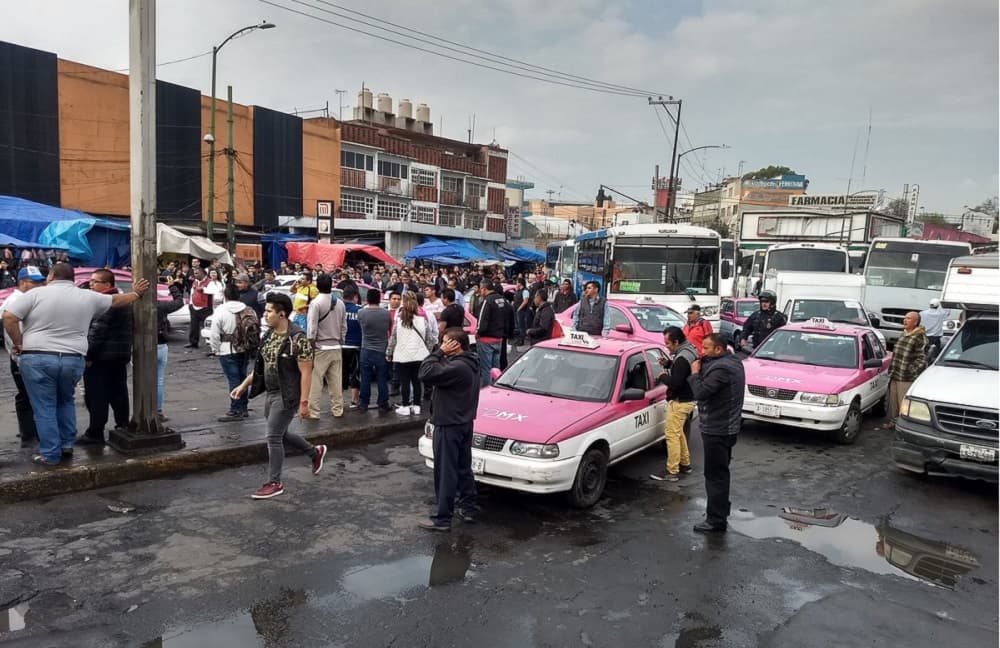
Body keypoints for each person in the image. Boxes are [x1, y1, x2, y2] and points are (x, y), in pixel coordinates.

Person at [2, 262, 148, 466]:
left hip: (38, 356)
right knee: (65, 401)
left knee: (44, 407)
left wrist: (19, 343)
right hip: (72, 358)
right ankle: (66, 445)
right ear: (72, 278)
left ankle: (50, 454)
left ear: (51, 276)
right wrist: (136, 293)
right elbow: (116, 300)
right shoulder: (87, 296)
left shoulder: (35, 295)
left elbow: (8, 316)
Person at [231, 293, 326, 499]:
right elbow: (261, 368)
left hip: (288, 395)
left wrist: (304, 403)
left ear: (281, 314)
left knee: (273, 437)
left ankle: (274, 482)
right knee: (280, 434)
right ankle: (314, 452)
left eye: (269, 311)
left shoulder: (297, 338)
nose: (264, 315)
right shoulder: (270, 335)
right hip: (272, 392)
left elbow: (307, 372)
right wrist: (243, 385)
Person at [418, 328, 481, 531]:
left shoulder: (458, 367)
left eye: (445, 342)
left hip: (449, 423)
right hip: (463, 421)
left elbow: (425, 372)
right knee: (463, 467)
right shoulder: (470, 362)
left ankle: (443, 518)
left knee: (445, 471)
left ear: (455, 345)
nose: (441, 345)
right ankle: (468, 507)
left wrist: (437, 353)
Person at [687, 333, 745, 533]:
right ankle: (718, 513)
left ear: (718, 349)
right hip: (726, 427)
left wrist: (694, 373)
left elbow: (701, 392)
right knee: (720, 473)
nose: (702, 352)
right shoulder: (733, 361)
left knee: (715, 475)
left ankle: (716, 520)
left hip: (717, 430)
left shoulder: (722, 368)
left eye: (706, 348)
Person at [79, 269, 134, 445]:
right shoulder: (120, 301)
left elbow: (96, 334)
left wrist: (87, 355)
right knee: (118, 392)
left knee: (96, 396)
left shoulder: (106, 304)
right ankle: (122, 424)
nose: (90, 284)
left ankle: (95, 431)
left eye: (95, 281)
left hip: (101, 357)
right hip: (118, 355)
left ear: (107, 285)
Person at [0, 265, 45, 445]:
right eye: (35, 283)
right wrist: (21, 352)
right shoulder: (14, 302)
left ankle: (30, 430)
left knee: (29, 395)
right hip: (22, 357)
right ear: (23, 283)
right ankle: (29, 434)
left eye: (40, 282)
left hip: (24, 355)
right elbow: (14, 333)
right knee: (26, 395)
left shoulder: (28, 300)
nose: (39, 286)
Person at [649, 327, 697, 482]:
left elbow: (676, 382)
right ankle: (685, 464)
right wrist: (670, 364)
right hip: (688, 399)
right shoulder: (688, 351)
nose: (666, 346)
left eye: (668, 343)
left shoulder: (682, 358)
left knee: (671, 435)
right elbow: (682, 372)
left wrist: (663, 376)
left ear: (676, 342)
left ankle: (672, 471)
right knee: (678, 433)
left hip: (680, 401)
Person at [210, 282, 258, 422]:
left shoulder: (221, 310)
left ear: (225, 295)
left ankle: (235, 409)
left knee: (233, 379)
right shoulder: (248, 309)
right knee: (243, 377)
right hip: (244, 348)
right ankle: (243, 407)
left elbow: (214, 334)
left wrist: (216, 349)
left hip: (227, 349)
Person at [307, 273, 347, 419]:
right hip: (336, 346)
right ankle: (338, 410)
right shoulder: (340, 303)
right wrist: (340, 341)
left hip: (320, 348)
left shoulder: (315, 303)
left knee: (316, 382)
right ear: (332, 285)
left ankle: (314, 411)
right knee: (336, 382)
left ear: (317, 286)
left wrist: (311, 344)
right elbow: (344, 326)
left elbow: (312, 328)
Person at [388, 292, 435, 416]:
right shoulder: (422, 321)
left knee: (405, 382)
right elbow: (430, 340)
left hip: (402, 357)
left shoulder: (399, 321)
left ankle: (405, 405)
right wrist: (427, 352)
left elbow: (393, 339)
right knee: (416, 381)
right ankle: (417, 406)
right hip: (419, 356)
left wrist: (389, 353)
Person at [879, 311, 928, 430]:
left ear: (916, 322)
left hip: (906, 377)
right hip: (896, 373)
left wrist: (910, 370)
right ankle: (893, 422)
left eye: (909, 319)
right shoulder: (904, 333)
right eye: (905, 318)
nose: (905, 320)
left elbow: (922, 358)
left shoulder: (919, 336)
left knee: (903, 403)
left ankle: (904, 426)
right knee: (893, 402)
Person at [155, 275, 185, 421]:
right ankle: (158, 410)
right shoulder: (160, 306)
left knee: (142, 379)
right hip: (161, 345)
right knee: (159, 380)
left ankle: (146, 409)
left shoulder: (134, 305)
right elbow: (179, 302)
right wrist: (172, 286)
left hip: (144, 347)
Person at [475, 280, 515, 387]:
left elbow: (482, 321)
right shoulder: (503, 300)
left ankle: (487, 390)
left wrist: (478, 332)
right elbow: (510, 318)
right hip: (499, 338)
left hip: (486, 339)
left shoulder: (487, 301)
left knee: (486, 368)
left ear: (483, 288)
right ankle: (497, 388)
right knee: (496, 368)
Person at [358, 288, 392, 411]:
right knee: (382, 378)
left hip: (366, 348)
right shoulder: (386, 313)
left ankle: (363, 403)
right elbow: (389, 329)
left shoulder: (361, 313)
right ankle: (383, 403)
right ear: (379, 299)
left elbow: (360, 327)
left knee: (365, 377)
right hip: (381, 349)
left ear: (367, 299)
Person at [341, 287, 363, 408]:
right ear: (355, 297)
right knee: (355, 373)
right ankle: (354, 401)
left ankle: (338, 401)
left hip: (340, 345)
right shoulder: (360, 310)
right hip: (355, 346)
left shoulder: (337, 309)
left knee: (340, 374)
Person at [185, 268, 212, 349]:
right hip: (194, 306)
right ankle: (193, 342)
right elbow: (192, 293)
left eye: (197, 273)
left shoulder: (210, 282)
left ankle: (212, 344)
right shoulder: (195, 281)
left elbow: (212, 292)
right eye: (194, 273)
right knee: (193, 326)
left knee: (209, 327)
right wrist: (190, 304)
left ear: (203, 273)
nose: (194, 274)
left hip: (205, 307)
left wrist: (203, 289)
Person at [512, 278, 531, 345]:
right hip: (517, 310)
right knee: (517, 326)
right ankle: (518, 339)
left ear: (520, 283)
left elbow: (525, 301)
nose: (516, 284)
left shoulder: (525, 291)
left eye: (517, 282)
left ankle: (521, 340)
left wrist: (519, 308)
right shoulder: (518, 291)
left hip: (522, 311)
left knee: (521, 326)